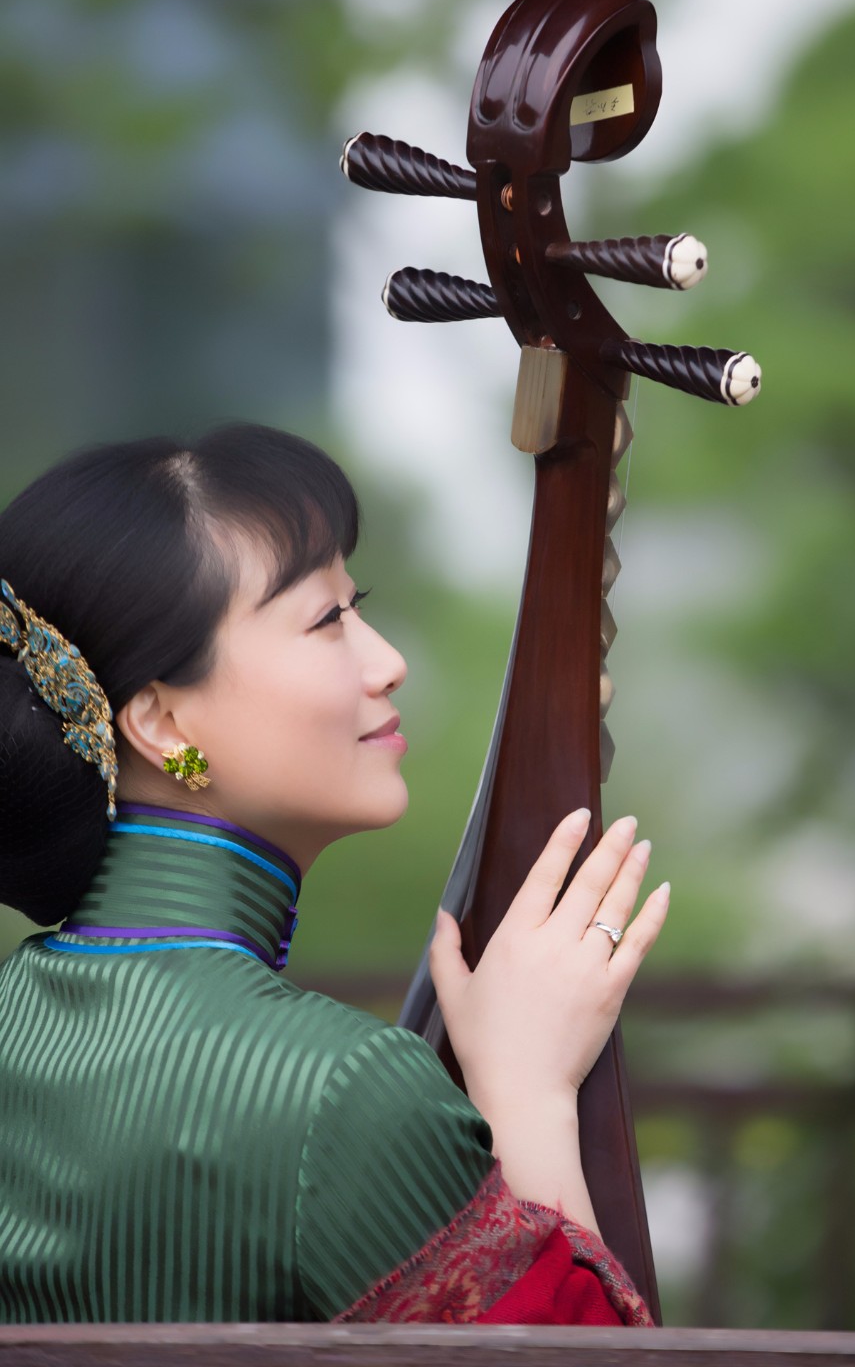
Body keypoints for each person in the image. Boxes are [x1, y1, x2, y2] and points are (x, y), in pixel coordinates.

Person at [0, 424, 668, 1326]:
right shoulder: (341, 1097)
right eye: (326, 621)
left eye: (359, 607)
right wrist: (524, 1090)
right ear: (160, 723)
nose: (388, 663)